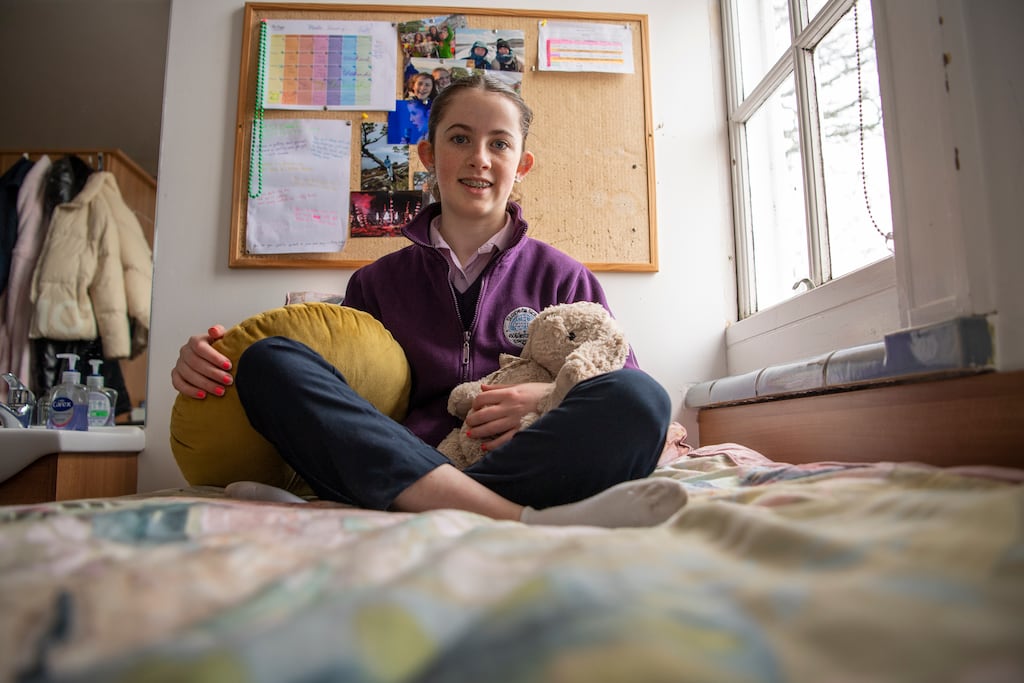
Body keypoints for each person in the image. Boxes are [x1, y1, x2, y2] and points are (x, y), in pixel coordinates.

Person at [171, 74, 685, 528]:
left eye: (499, 144)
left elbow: (618, 378)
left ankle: (397, 503)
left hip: (525, 460)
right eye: (459, 138)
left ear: (522, 164)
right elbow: (351, 399)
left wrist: (548, 398)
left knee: (644, 398)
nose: (479, 158)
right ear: (429, 155)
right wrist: (211, 357)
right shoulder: (375, 283)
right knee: (268, 360)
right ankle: (511, 519)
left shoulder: (565, 277)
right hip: (413, 456)